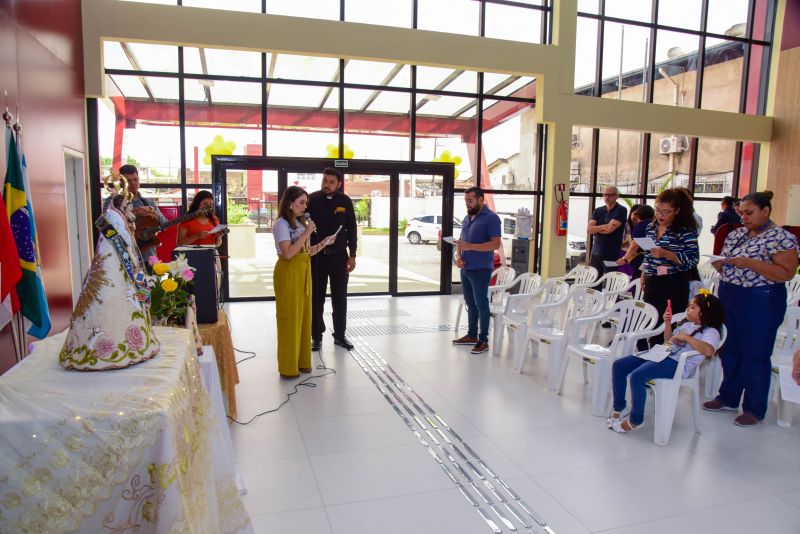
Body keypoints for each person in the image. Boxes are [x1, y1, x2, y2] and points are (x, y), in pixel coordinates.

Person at [704, 191, 799, 426]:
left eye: (749, 213)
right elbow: (728, 263)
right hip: (731, 294)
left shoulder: (781, 237)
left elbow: (786, 273)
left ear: (765, 211)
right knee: (729, 348)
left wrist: (751, 263)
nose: (744, 217)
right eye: (741, 213)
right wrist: (720, 264)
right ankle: (728, 396)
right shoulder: (737, 234)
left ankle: (754, 408)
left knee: (755, 353)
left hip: (761, 298)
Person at [608, 291, 724, 432]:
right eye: (688, 306)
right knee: (619, 365)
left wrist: (688, 339)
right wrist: (668, 323)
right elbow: (668, 341)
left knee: (638, 376)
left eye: (692, 307)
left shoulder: (711, 332)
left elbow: (709, 351)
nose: (688, 309)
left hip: (677, 365)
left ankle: (636, 420)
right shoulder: (687, 325)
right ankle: (620, 406)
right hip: (663, 355)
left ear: (705, 312)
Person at [273, 186, 334, 378]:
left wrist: (323, 243)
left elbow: (306, 252)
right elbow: (289, 253)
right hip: (289, 273)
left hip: (304, 273)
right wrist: (306, 233)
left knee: (304, 318)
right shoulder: (281, 224)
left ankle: (302, 361)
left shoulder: (300, 225)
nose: (304, 206)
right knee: (290, 319)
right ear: (290, 203)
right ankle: (288, 366)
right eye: (301, 202)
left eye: (306, 203)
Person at [640, 188, 700, 345]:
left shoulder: (685, 231)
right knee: (649, 322)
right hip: (652, 280)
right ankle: (647, 357)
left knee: (667, 325)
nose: (660, 215)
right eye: (657, 210)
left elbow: (693, 260)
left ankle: (662, 361)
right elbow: (648, 253)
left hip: (673, 282)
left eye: (666, 212)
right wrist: (645, 273)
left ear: (677, 211)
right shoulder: (651, 227)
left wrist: (667, 254)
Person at [307, 168, 358, 351]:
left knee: (340, 299)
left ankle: (340, 336)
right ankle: (316, 337)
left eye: (330, 182)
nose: (326, 185)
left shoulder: (344, 201)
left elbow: (351, 229)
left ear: (338, 184)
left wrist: (352, 254)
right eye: (324, 181)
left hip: (339, 257)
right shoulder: (312, 199)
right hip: (317, 258)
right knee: (316, 298)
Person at [452, 187, 502, 355]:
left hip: (481, 269)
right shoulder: (467, 218)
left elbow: (495, 244)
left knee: (481, 305)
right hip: (466, 268)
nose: (467, 204)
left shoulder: (491, 218)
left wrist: (471, 247)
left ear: (481, 200)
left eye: (470, 201)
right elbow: (461, 241)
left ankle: (483, 340)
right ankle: (472, 335)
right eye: (466, 201)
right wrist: (458, 257)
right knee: (470, 303)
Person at [102, 164, 167, 262]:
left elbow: (165, 225)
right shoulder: (112, 201)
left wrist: (154, 214)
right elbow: (106, 227)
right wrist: (135, 213)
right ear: (121, 182)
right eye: (128, 180)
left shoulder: (148, 202)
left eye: (135, 179)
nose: (133, 183)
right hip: (124, 260)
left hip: (148, 258)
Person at [587, 186, 627, 276]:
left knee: (611, 280)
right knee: (593, 281)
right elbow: (589, 229)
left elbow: (609, 230)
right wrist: (604, 226)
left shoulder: (621, 210)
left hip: (611, 253)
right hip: (595, 252)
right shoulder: (598, 210)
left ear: (617, 196)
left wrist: (597, 229)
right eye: (605, 195)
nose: (606, 197)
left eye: (610, 195)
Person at [617, 205, 654, 280]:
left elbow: (635, 244)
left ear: (638, 215)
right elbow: (649, 247)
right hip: (654, 262)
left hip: (641, 262)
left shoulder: (640, 226)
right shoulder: (654, 225)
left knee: (637, 283)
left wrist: (625, 259)